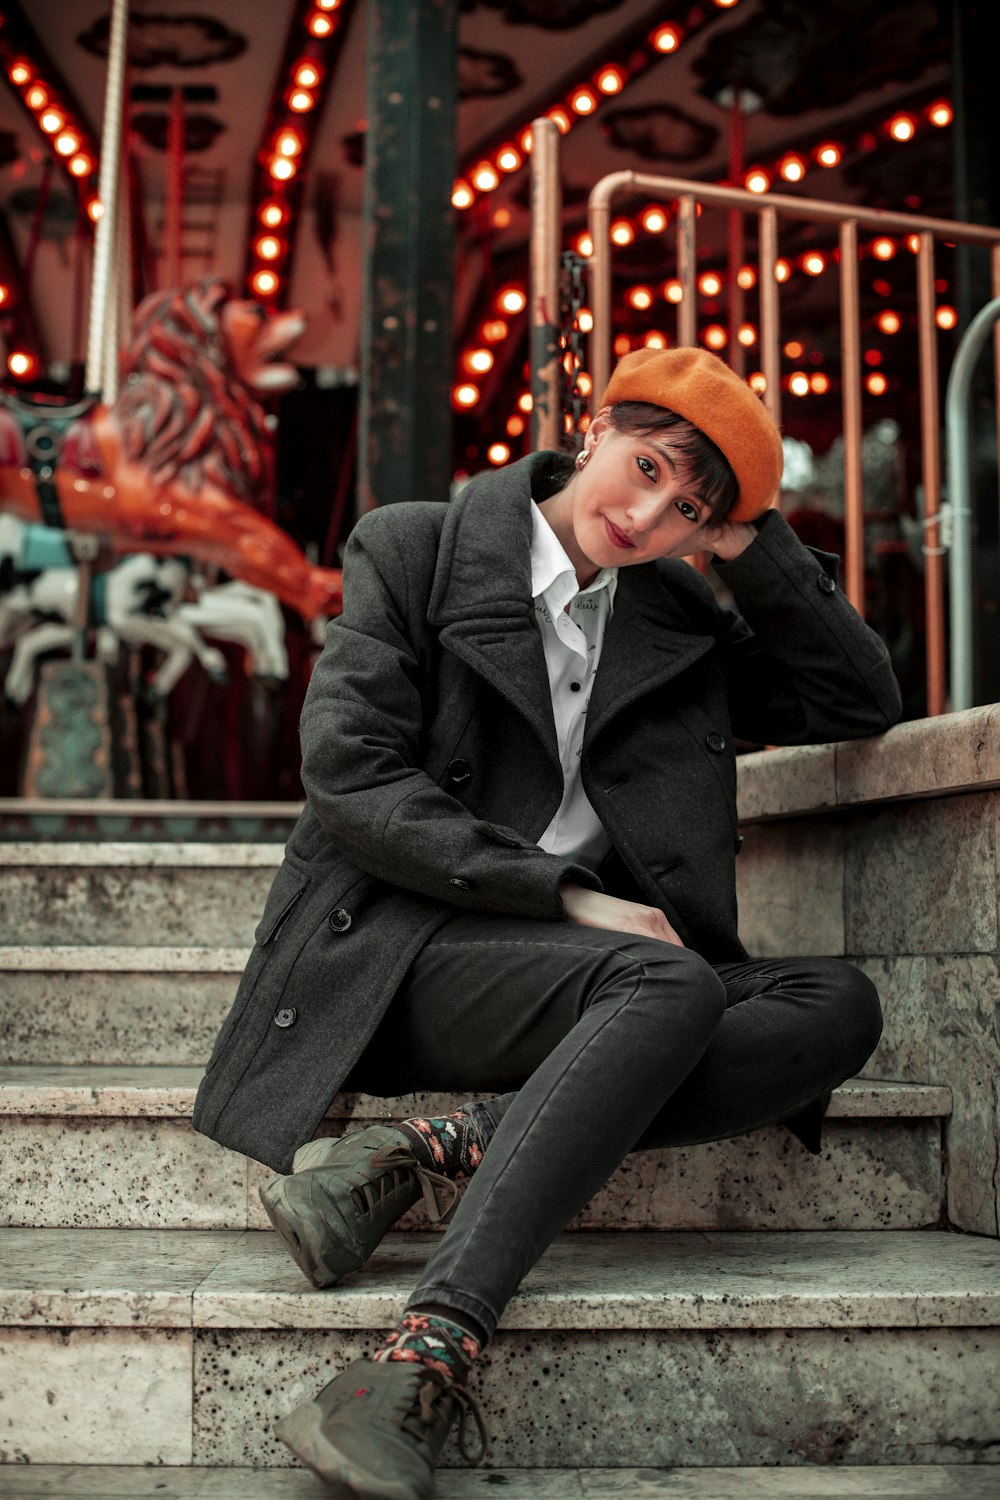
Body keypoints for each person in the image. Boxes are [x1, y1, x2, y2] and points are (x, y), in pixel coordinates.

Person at [193, 346, 902, 1500]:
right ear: (593, 426)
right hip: (394, 951)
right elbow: (352, 776)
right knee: (666, 985)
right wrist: (569, 896)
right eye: (650, 465)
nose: (652, 512)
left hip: (577, 980)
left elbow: (860, 701)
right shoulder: (412, 546)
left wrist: (751, 541)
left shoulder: (674, 612)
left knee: (837, 1004)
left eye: (691, 509)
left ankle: (430, 1150)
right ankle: (422, 1354)